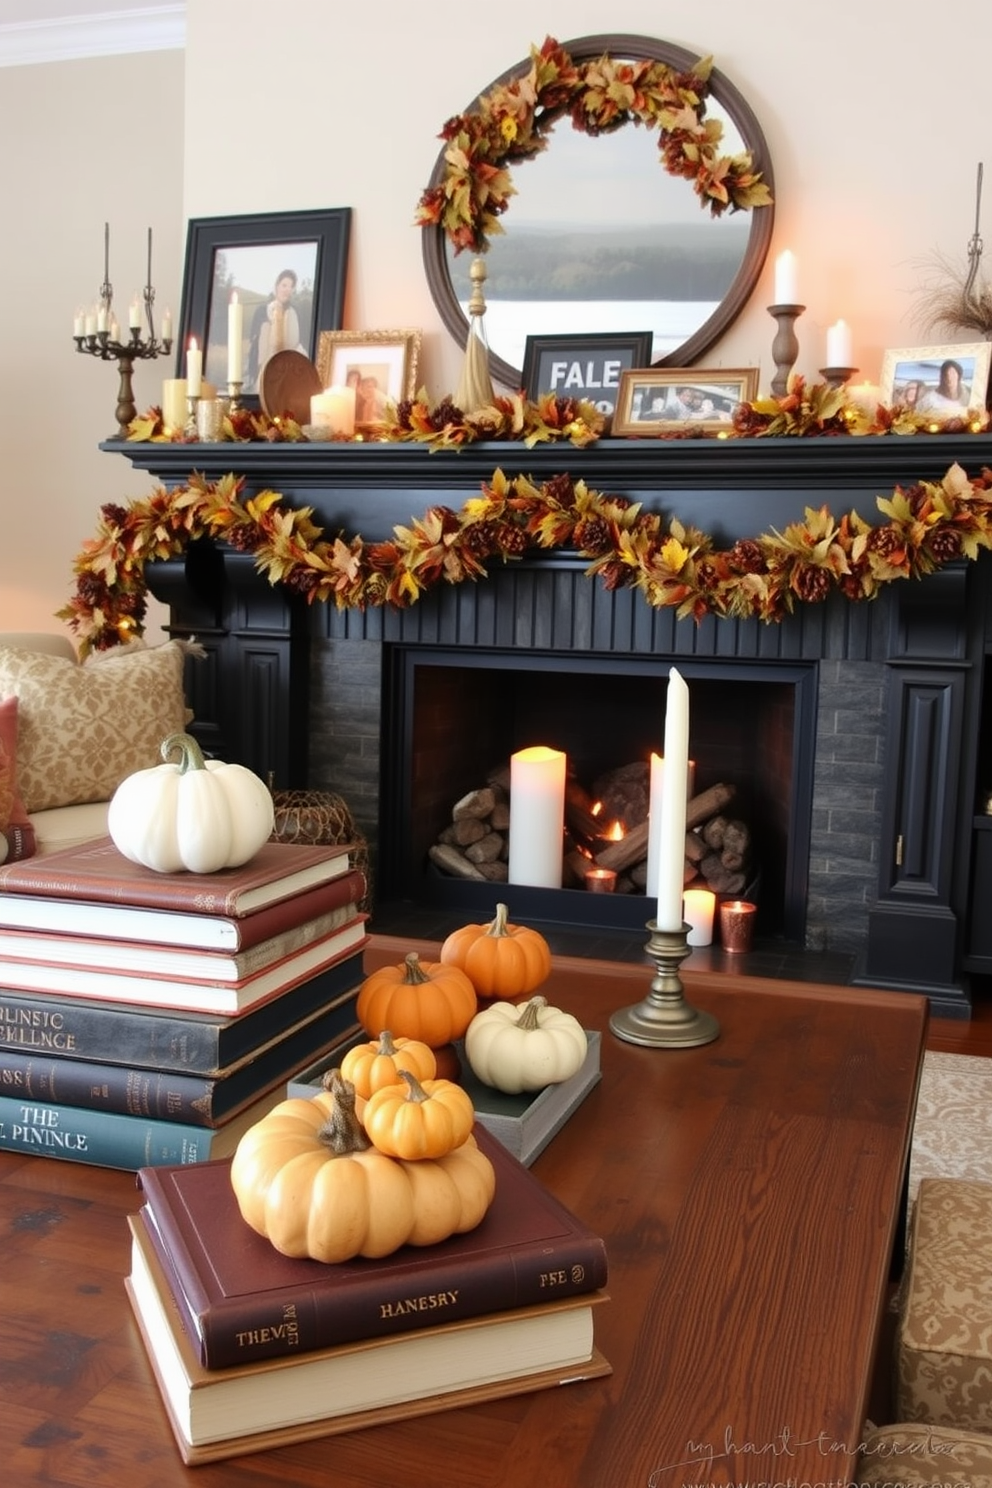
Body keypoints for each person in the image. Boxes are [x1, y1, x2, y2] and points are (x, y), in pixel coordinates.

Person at [245, 269, 305, 391]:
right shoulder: (263, 311)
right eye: (284, 285)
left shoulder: (294, 313)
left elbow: (296, 343)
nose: (287, 289)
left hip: (288, 370)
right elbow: (255, 343)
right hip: (265, 368)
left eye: (291, 286)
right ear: (276, 286)